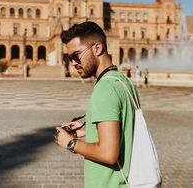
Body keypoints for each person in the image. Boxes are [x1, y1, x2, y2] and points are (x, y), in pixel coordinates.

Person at [55, 21, 135, 188]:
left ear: (97, 48)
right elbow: (123, 127)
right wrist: (88, 129)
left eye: (76, 55)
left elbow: (108, 153)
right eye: (70, 58)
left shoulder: (104, 89)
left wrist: (70, 143)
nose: (73, 63)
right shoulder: (121, 81)